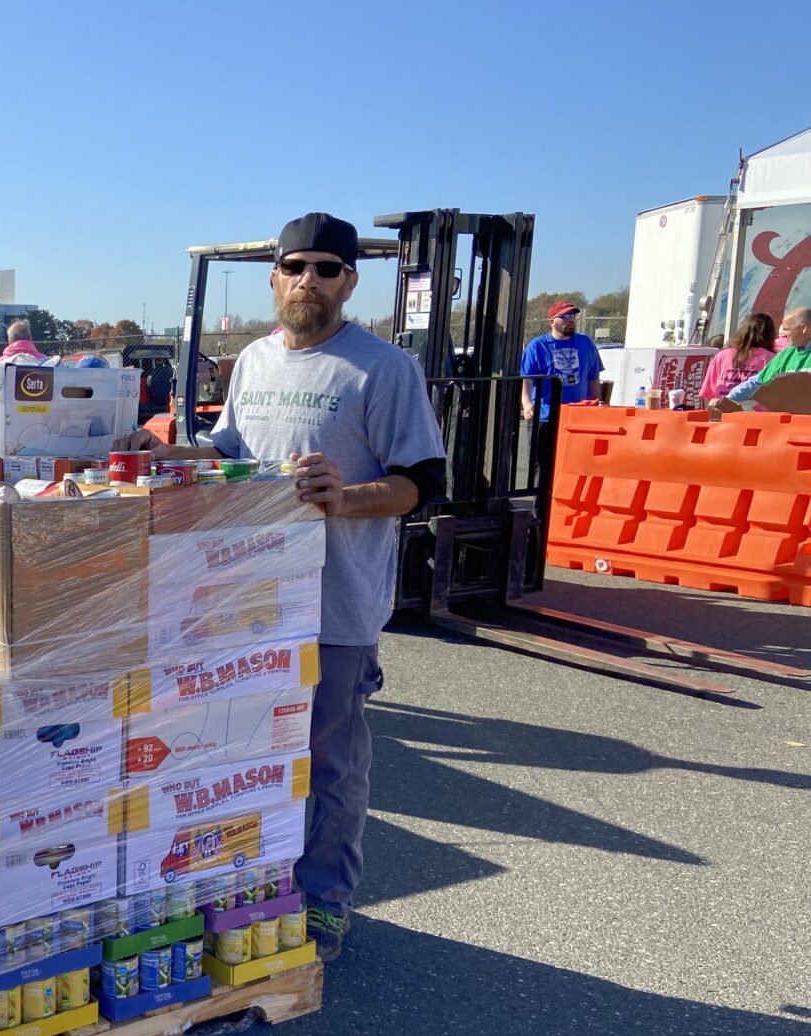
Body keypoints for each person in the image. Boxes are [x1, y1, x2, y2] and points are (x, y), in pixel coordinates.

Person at [112, 213, 446, 963]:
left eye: (327, 268)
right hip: (243, 603)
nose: (309, 280)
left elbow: (423, 483)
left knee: (329, 760)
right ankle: (255, 890)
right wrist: (165, 449)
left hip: (335, 607)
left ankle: (325, 898)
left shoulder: (383, 369)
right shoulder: (254, 362)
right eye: (295, 266)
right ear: (273, 277)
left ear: (350, 283)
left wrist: (347, 496)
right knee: (242, 758)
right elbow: (228, 452)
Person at [519, 302, 603, 422]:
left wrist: (596, 403)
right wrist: (527, 405)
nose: (570, 320)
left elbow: (593, 377)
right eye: (564, 316)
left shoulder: (586, 343)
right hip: (545, 416)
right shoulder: (537, 346)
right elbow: (527, 379)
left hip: (579, 415)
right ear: (551, 321)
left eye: (573, 316)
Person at [726, 307, 811, 407]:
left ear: (803, 328)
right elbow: (757, 382)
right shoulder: (786, 354)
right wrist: (727, 400)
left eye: (787, 329)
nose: (783, 334)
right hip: (788, 419)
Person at [700, 313, 777, 404]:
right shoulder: (771, 358)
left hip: (723, 411)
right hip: (755, 414)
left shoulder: (722, 355)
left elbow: (708, 394)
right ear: (770, 335)